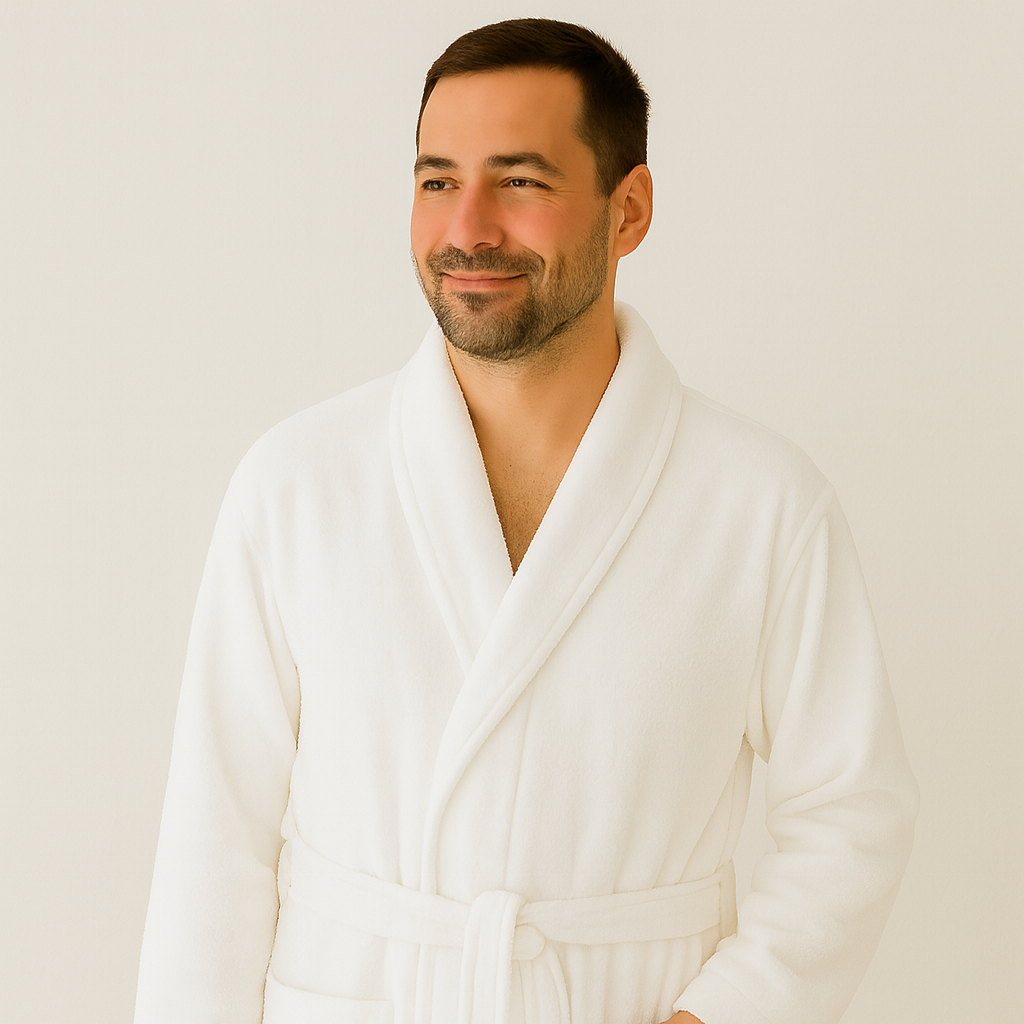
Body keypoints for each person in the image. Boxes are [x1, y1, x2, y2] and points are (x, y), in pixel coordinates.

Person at [134, 18, 918, 1024]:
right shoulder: (296, 482)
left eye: (519, 181)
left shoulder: (761, 502)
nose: (467, 226)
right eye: (434, 180)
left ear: (627, 209)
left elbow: (853, 811)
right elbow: (214, 835)